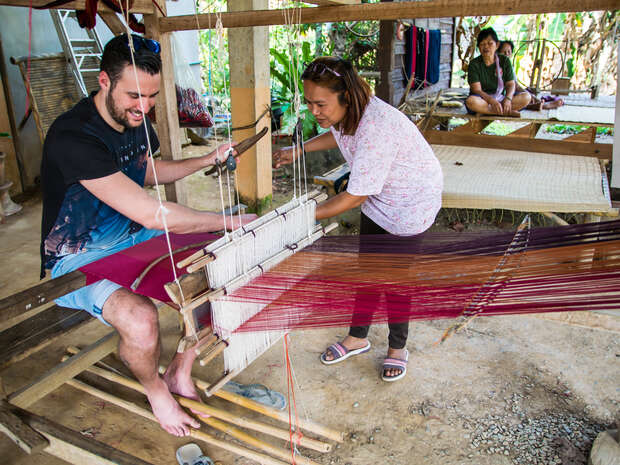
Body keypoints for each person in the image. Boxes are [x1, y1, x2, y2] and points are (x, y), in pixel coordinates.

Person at [40, 33, 256, 436]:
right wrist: (226, 220)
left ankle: (179, 371)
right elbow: (154, 215)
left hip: (131, 236)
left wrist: (206, 159)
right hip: (78, 257)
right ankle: (156, 390)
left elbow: (145, 171)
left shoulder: (135, 121)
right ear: (104, 81)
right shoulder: (73, 137)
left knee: (220, 271)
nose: (144, 106)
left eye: (152, 96)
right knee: (141, 319)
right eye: (134, 95)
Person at [272, 57, 443, 382]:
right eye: (309, 103)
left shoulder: (375, 127)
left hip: (410, 202)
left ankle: (397, 348)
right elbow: (338, 135)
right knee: (367, 269)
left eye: (320, 103)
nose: (314, 111)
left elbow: (353, 196)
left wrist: (301, 215)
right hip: (382, 194)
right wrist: (298, 151)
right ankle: (358, 337)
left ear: (345, 97)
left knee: (395, 280)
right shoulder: (349, 112)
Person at [465, 28, 531, 117]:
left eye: (490, 43)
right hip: (483, 100)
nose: (486, 47)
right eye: (482, 44)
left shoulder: (504, 61)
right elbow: (477, 90)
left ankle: (486, 111)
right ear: (479, 47)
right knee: (471, 102)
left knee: (527, 97)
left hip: (502, 98)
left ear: (497, 45)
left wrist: (508, 99)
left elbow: (511, 84)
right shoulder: (474, 64)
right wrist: (492, 101)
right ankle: (506, 112)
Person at [498, 40, 565, 110]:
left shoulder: (510, 66)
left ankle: (537, 104)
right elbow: (515, 86)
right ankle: (540, 105)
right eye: (504, 52)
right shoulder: (498, 66)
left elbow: (516, 85)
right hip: (505, 95)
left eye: (509, 52)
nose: (506, 54)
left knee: (527, 93)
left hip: (512, 92)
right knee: (523, 97)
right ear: (498, 52)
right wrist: (532, 96)